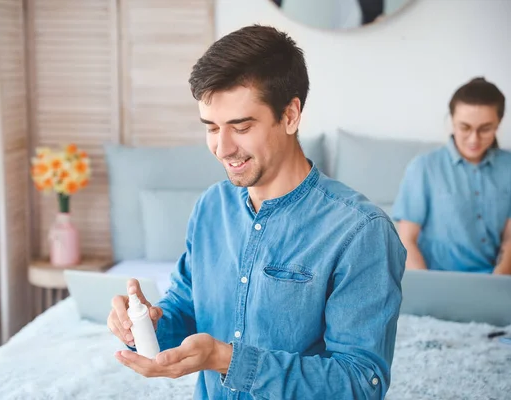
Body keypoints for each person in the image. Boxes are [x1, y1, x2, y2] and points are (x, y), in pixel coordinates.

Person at [108, 25, 406, 399]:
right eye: (211, 127)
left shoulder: (361, 231)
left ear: (291, 115)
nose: (222, 147)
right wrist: (146, 325)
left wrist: (226, 360)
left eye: (241, 126)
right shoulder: (210, 208)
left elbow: (360, 384)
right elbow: (186, 306)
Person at [393, 77, 511, 274]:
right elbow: (406, 240)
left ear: (498, 123)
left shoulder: (508, 167)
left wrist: (496, 285)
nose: (474, 139)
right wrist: (429, 290)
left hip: (496, 280)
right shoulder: (424, 168)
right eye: (465, 127)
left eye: (485, 129)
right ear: (451, 122)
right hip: (440, 279)